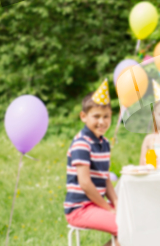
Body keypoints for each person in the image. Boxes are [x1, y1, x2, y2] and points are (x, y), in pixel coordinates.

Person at [64, 79, 120, 246]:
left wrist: (117, 203)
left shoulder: (104, 143)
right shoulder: (82, 143)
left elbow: (105, 179)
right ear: (83, 116)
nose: (102, 121)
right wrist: (108, 208)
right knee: (126, 227)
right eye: (96, 116)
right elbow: (86, 184)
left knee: (133, 219)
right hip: (79, 209)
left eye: (106, 116)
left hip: (94, 205)